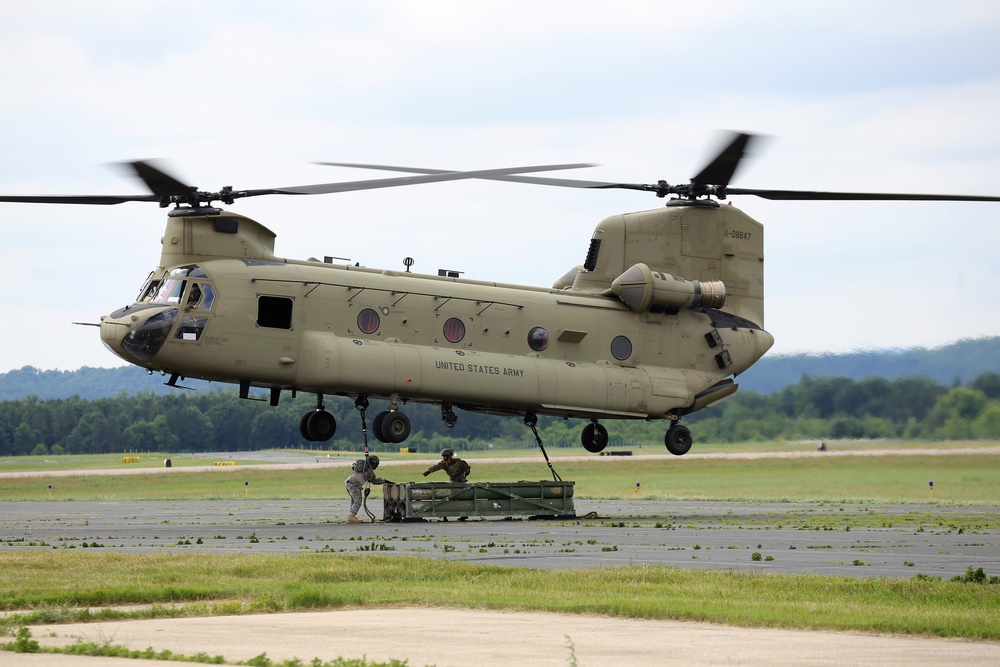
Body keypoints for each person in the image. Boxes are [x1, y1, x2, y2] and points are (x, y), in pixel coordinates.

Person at [344, 455, 391, 524]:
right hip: (354, 484)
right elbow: (374, 480)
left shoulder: (362, 467)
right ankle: (351, 517)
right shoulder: (368, 471)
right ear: (372, 463)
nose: (376, 466)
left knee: (354, 500)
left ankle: (351, 516)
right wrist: (384, 481)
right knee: (358, 501)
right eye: (376, 464)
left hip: (349, 483)